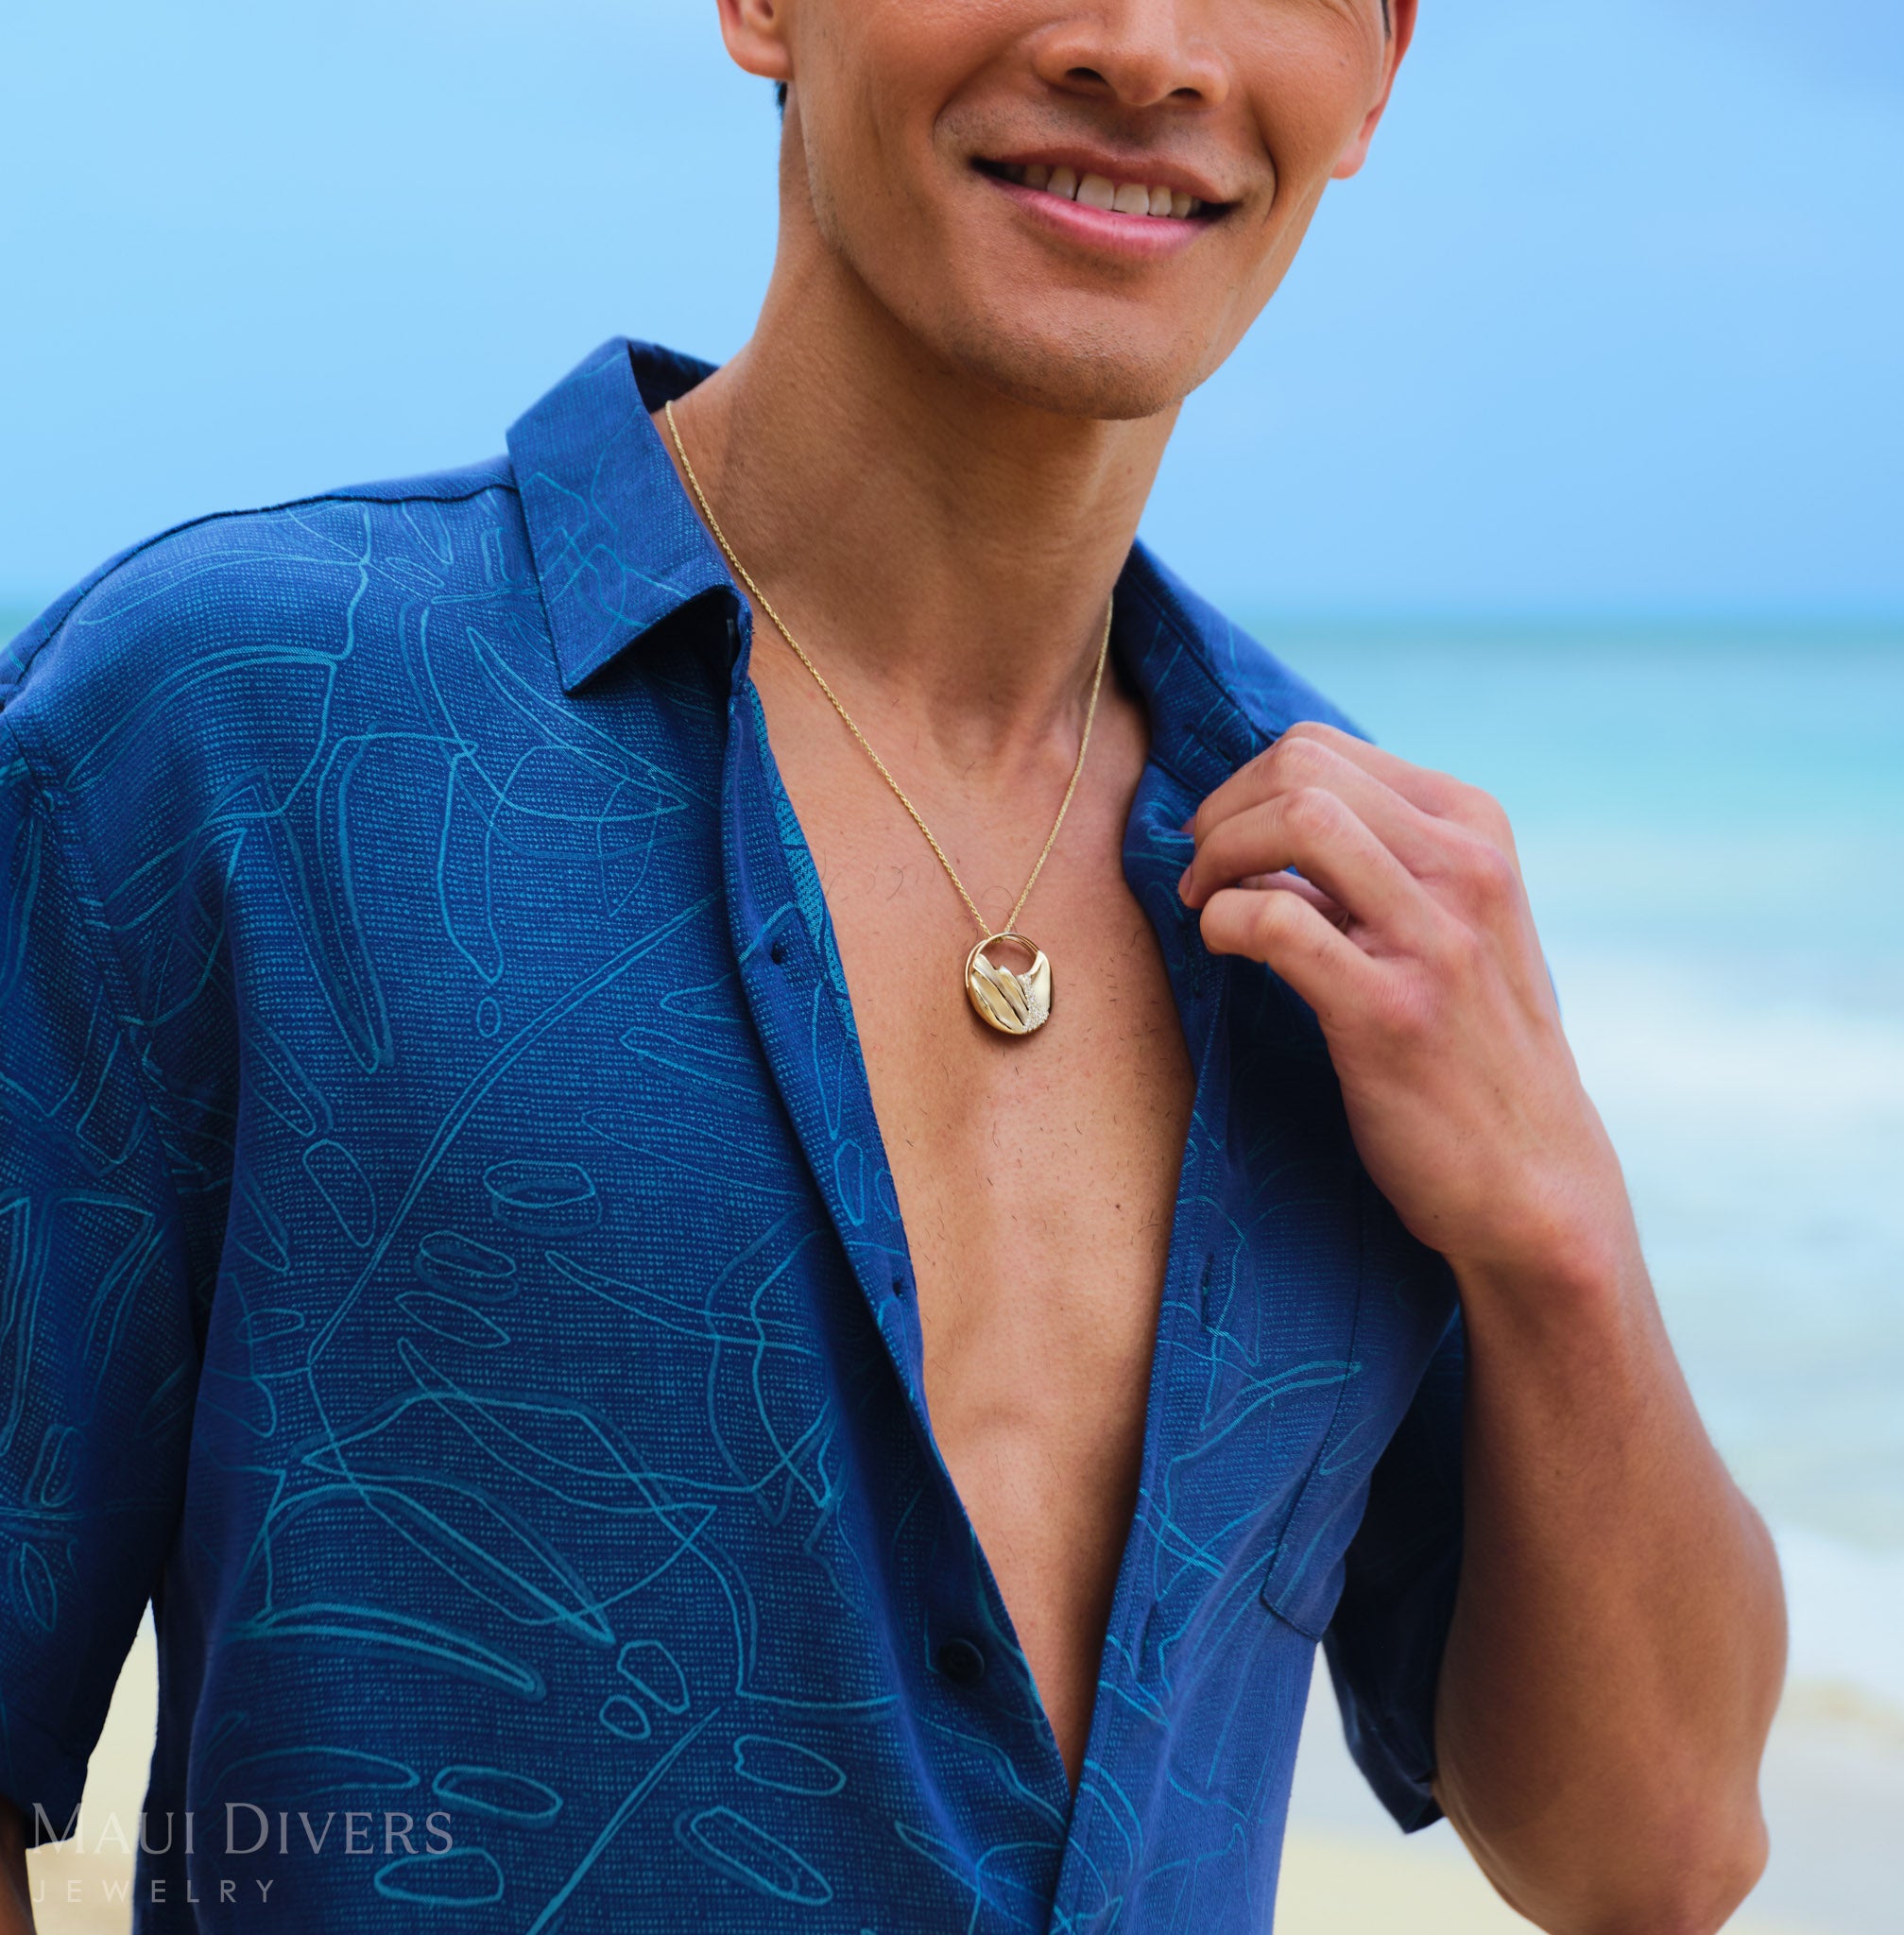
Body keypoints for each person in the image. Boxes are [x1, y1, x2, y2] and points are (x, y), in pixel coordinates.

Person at [0, 1, 1787, 1929]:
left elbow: (1649, 1864)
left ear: (1376, 65)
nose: (1144, 46)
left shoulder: (1360, 931)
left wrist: (1559, 1240)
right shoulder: (238, 734)